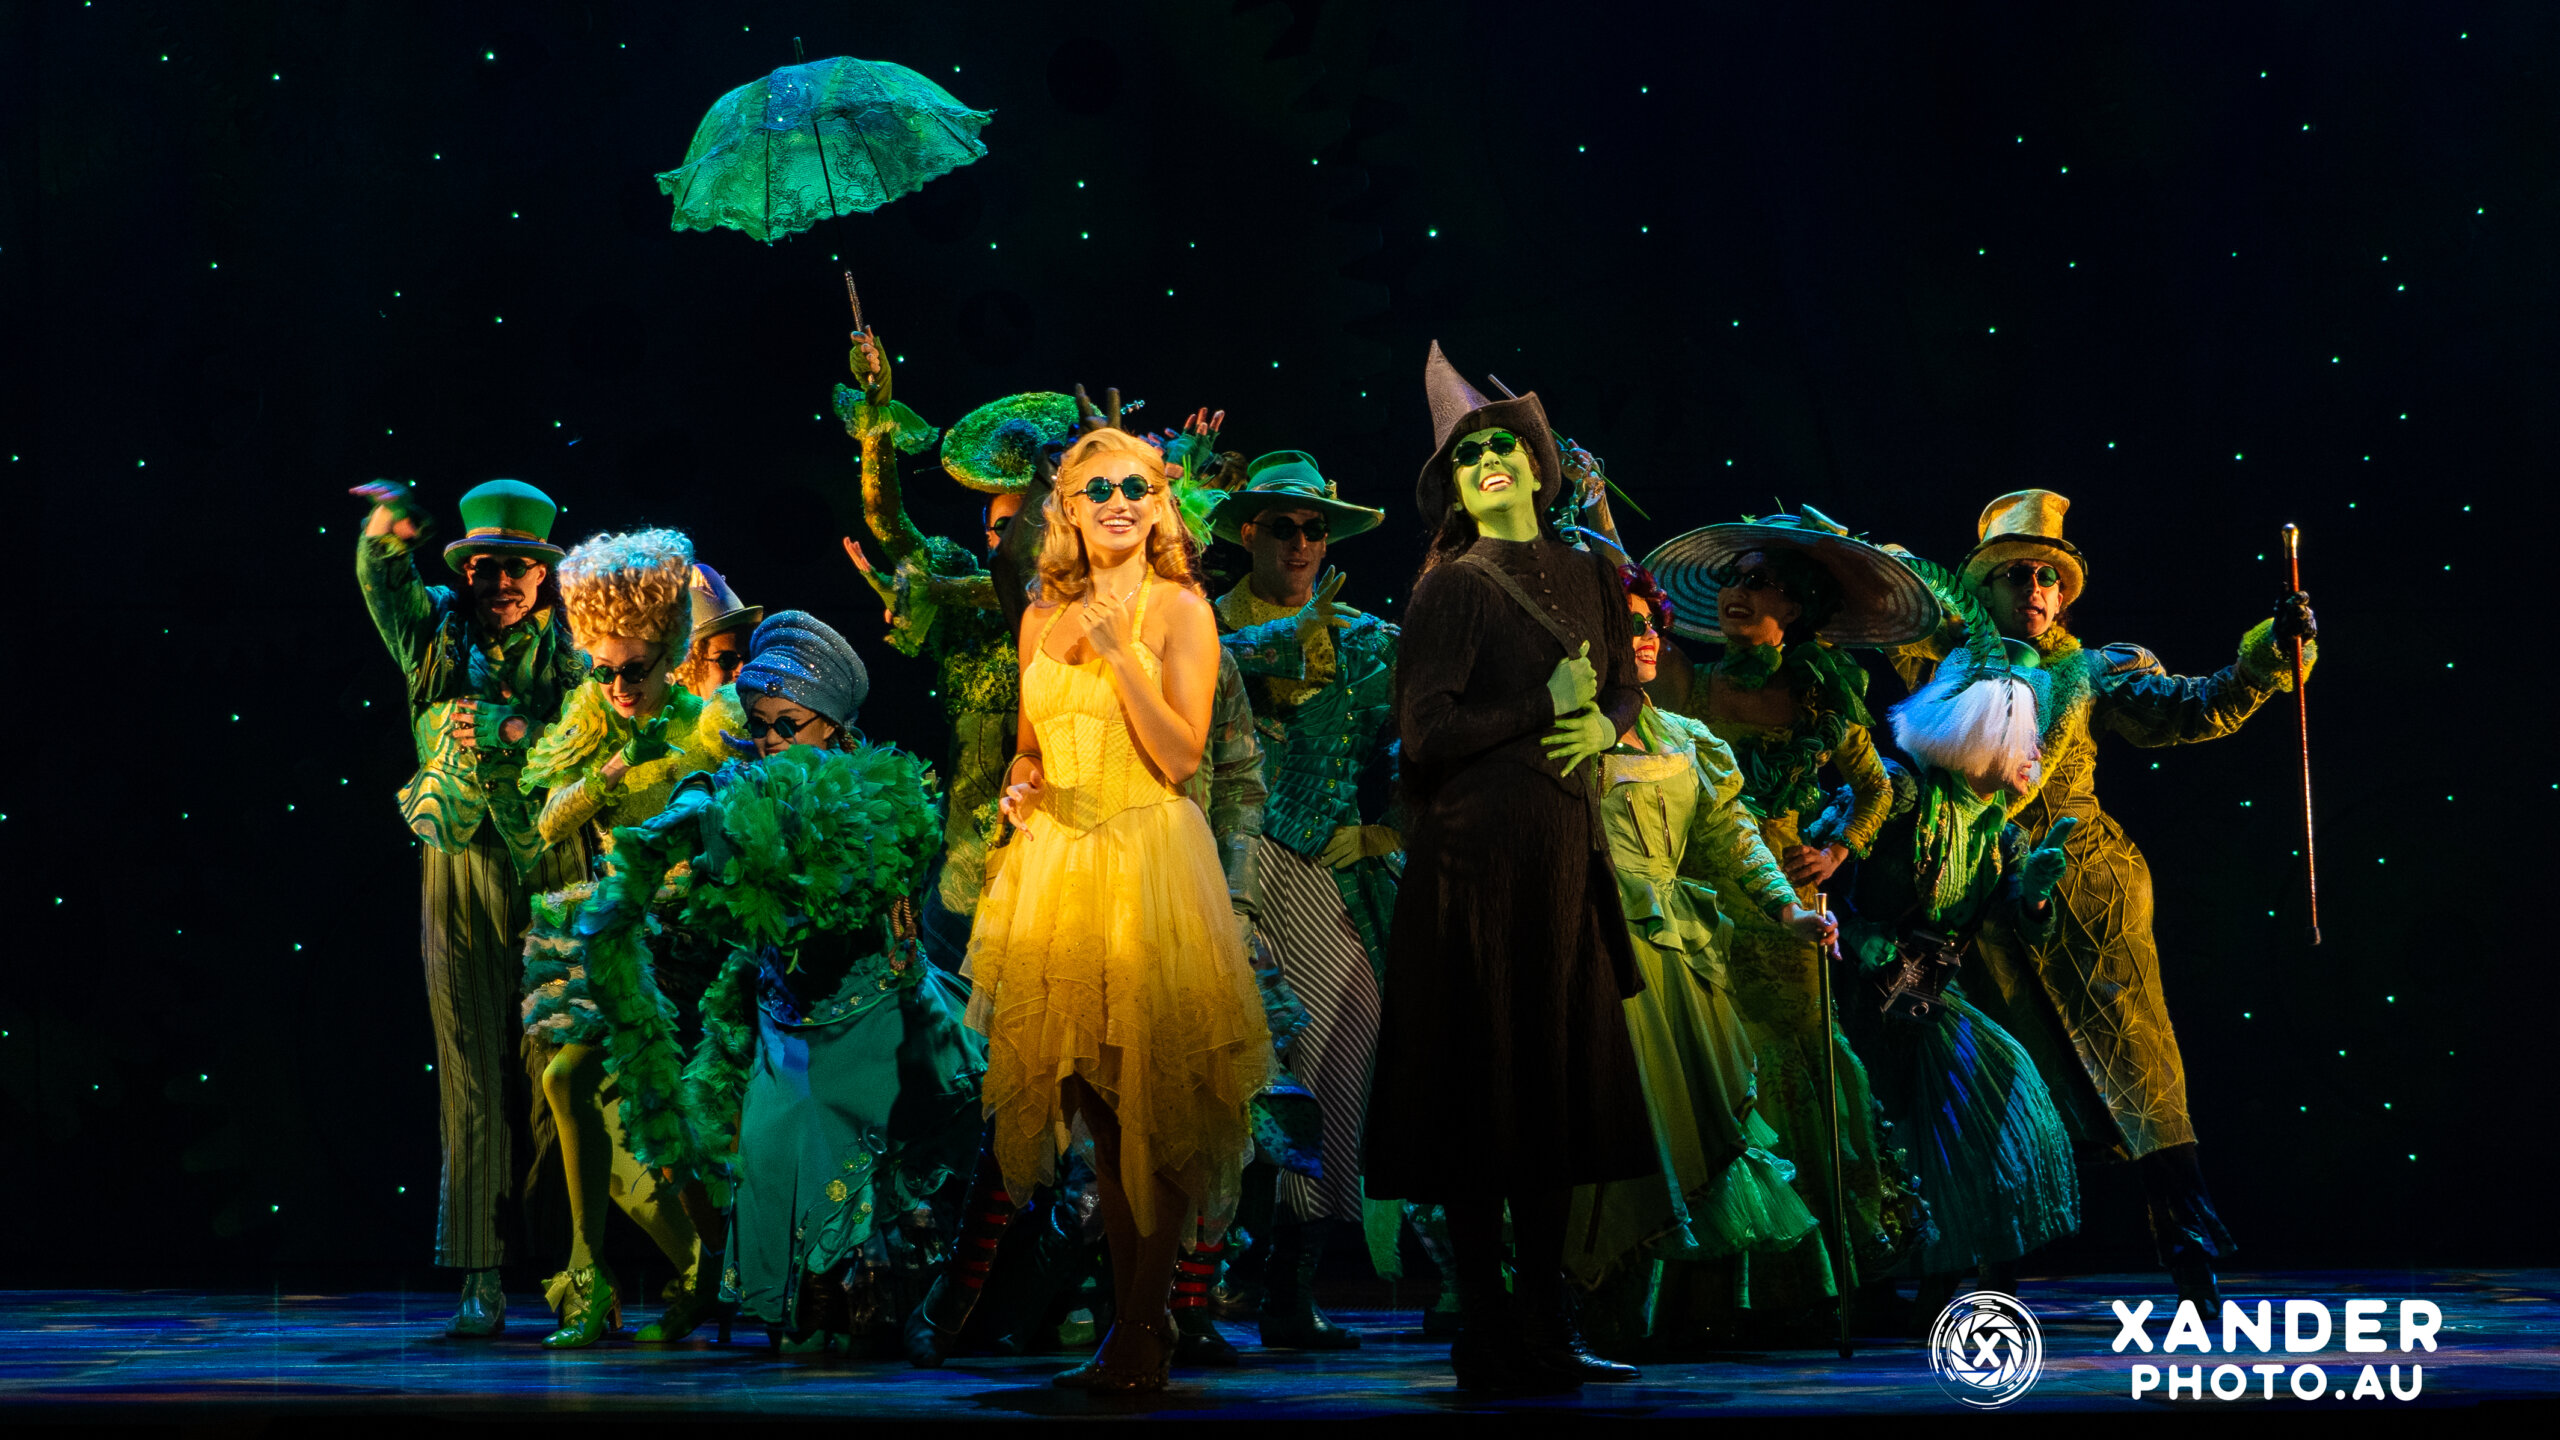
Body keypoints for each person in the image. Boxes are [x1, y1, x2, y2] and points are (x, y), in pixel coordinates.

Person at [1882, 490, 2316, 1307]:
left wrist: (2269, 656)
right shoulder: (1942, 666)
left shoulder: (2093, 672)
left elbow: (2197, 706)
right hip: (1968, 891)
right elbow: (1882, 607)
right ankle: (1969, 1264)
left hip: (2085, 890)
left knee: (2135, 1064)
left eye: (2048, 576)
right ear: (1981, 589)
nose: (2034, 587)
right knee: (1971, 1074)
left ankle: (2188, 1243)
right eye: (2015, 574)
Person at [548, 610, 987, 1355]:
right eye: (760, 725)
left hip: (872, 1022)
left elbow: (828, 897)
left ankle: (869, 1300)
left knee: (851, 1158)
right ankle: (795, 1301)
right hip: (784, 1022)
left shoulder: (880, 796)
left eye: (789, 724)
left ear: (834, 726)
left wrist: (728, 853)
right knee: (735, 1142)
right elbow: (705, 796)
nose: (774, 740)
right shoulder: (742, 783)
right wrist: (681, 820)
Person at [962, 409, 1271, 1392]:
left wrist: (1121, 651)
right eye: (1096, 489)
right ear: (1065, 508)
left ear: (1161, 504)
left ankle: (1144, 1325)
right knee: (1100, 1112)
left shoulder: (1180, 611)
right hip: (1059, 865)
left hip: (1147, 862)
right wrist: (1018, 786)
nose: (1118, 503)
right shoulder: (1038, 618)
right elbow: (1028, 746)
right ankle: (1131, 1323)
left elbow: (1181, 756)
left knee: (1160, 1105)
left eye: (1137, 486)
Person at [1364, 343, 1653, 1392]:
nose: (1489, 461)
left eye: (1505, 447)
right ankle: (1487, 1324)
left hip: (1562, 863)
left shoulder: (1590, 572)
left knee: (1553, 1092)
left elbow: (1622, 682)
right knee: (1482, 1095)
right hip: (1476, 874)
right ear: (1455, 486)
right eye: (1468, 454)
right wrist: (1546, 706)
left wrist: (1604, 722)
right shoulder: (1452, 587)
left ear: (1539, 466)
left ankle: (1546, 1316)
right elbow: (1425, 735)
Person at [1640, 507, 1939, 1333]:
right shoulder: (1694, 684)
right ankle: (1714, 1292)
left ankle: (1813, 1279)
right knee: (1717, 1069)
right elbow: (1627, 601)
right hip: (1705, 893)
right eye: (1732, 578)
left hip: (1789, 907)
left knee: (1801, 1069)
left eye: (1761, 581)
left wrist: (1838, 849)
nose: (1738, 593)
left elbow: (1880, 785)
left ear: (1797, 606)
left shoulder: (1819, 697)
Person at [1563, 564, 1829, 1353]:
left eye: (1652, 624)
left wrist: (1787, 908)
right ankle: (1581, 1312)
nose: (1646, 639)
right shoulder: (1566, 739)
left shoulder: (1687, 741)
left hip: (1678, 956)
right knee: (1609, 1126)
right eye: (1627, 625)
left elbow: (1731, 835)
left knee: (1687, 1133)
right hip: (1591, 946)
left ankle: (1644, 1322)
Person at [351, 477, 591, 1338]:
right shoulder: (434, 633)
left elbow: (595, 735)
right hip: (457, 860)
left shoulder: (575, 648)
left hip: (553, 863)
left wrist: (512, 731)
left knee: (557, 1074)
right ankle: (479, 1275)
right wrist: (386, 535)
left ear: (543, 575)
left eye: (519, 569)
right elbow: (388, 586)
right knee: (468, 1067)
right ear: (467, 572)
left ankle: (572, 1271)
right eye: (488, 568)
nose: (503, 584)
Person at [1827, 560, 2084, 1321]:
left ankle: (1961, 1268)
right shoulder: (1904, 791)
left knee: (1989, 1091)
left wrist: (2035, 893)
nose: (2032, 752)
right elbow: (1819, 861)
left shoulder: (2001, 832)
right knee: (1878, 1126)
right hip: (1861, 984)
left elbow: (2019, 917)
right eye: (2021, 734)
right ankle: (1875, 1280)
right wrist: (1856, 932)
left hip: (1928, 987)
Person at [514, 528, 745, 1348]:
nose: (616, 686)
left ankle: (707, 1273)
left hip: (682, 940)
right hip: (615, 931)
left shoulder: (702, 726)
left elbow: (722, 829)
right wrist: (607, 775)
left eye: (633, 671)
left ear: (669, 656)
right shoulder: (592, 721)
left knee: (666, 1116)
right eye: (603, 670)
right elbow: (546, 822)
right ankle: (591, 1271)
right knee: (569, 1082)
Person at [1202, 450, 1398, 1352]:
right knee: (1237, 1071)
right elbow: (1189, 680)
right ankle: (1207, 1282)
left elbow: (1430, 734)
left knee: (1341, 1053)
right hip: (1226, 866)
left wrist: (1388, 832)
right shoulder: (1203, 625)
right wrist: (1290, 633)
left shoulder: (1365, 637)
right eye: (1282, 526)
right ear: (1248, 532)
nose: (1301, 542)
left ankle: (1290, 1284)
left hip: (1320, 868)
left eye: (1315, 528)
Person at [839, 336, 1063, 970]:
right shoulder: (963, 591)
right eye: (1002, 527)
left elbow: (1026, 589)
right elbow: (885, 520)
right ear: (984, 535)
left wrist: (934, 588)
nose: (1015, 539)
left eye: (1033, 523)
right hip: (966, 850)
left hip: (1056, 838)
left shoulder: (1077, 599)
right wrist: (877, 411)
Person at [673, 563, 760, 700]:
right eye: (727, 660)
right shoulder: (666, 713)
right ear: (691, 663)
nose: (742, 669)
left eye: (748, 656)